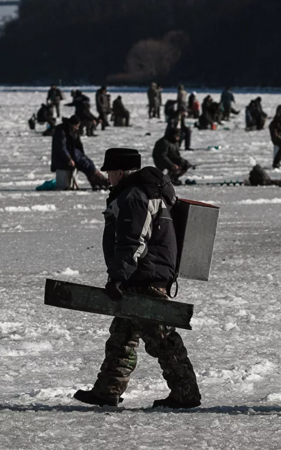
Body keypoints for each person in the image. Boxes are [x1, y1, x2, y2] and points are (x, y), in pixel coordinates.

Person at [73, 148, 201, 409]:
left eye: (109, 172)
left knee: (162, 339)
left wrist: (118, 277)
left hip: (145, 277)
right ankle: (107, 390)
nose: (108, 177)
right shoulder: (147, 192)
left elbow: (133, 241)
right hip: (144, 275)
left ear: (120, 172)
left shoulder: (134, 196)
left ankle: (186, 394)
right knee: (121, 337)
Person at [50, 115, 110, 190]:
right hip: (63, 158)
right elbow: (61, 148)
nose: (77, 128)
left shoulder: (73, 130)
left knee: (89, 162)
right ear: (72, 124)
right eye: (76, 126)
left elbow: (78, 144)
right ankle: (101, 180)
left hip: (73, 153)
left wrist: (83, 155)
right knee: (86, 165)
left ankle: (96, 181)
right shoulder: (61, 131)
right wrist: (69, 159)